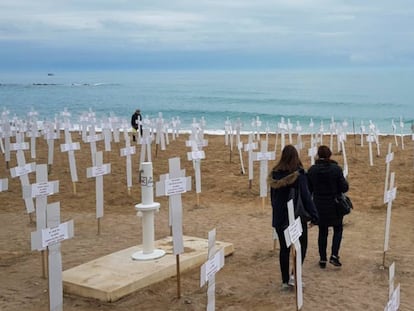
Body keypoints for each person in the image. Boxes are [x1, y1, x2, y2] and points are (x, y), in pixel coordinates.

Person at [268, 145, 319, 291]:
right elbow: (306, 196)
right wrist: (314, 216)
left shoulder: (274, 174)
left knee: (284, 249)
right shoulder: (298, 175)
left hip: (279, 217)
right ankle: (293, 275)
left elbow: (273, 198)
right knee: (301, 247)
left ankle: (285, 280)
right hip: (296, 218)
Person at [307, 145, 349, 269]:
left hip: (319, 204)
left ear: (318, 156)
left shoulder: (312, 170)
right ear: (330, 155)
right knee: (338, 229)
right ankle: (334, 255)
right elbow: (344, 187)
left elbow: (309, 189)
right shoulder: (336, 169)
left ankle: (322, 259)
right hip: (334, 203)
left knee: (322, 231)